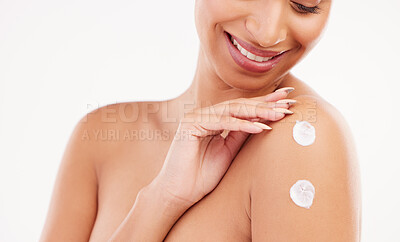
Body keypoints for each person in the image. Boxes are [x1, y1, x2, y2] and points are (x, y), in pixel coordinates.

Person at [39, 0, 361, 241]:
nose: (267, 33)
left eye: (304, 4)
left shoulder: (304, 139)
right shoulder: (98, 137)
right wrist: (161, 199)